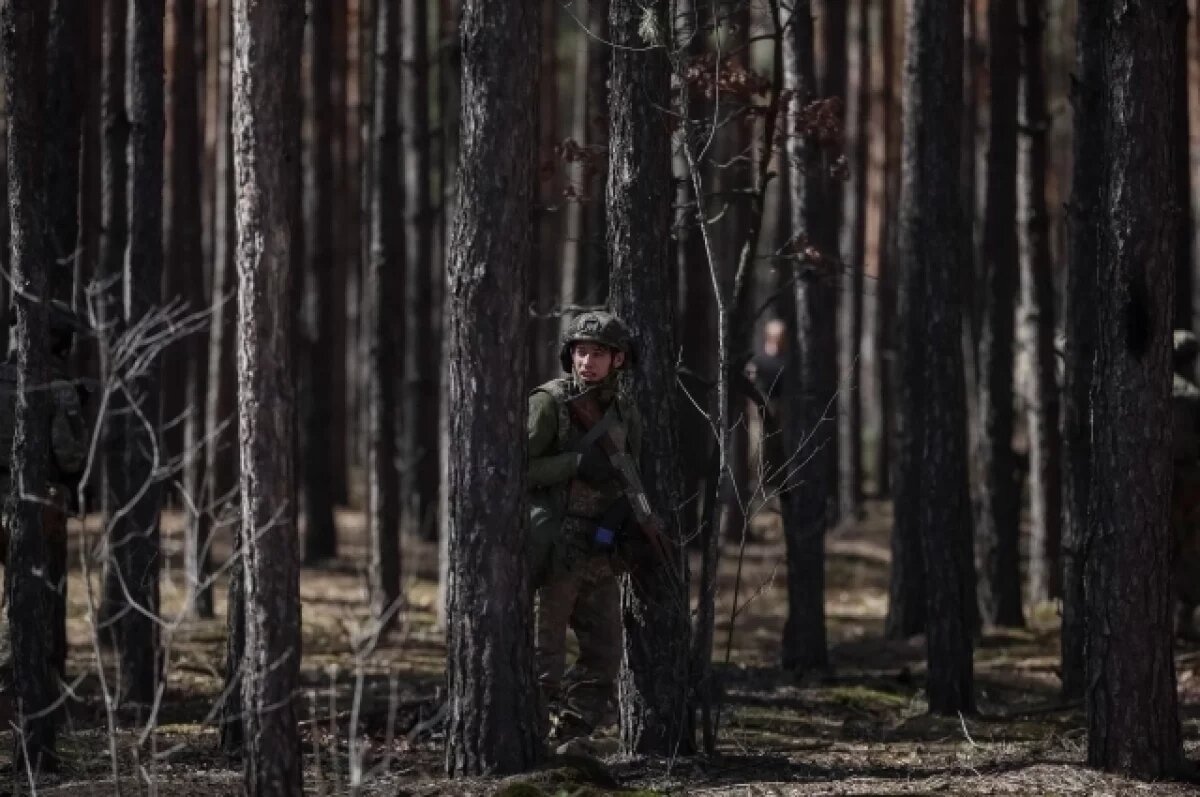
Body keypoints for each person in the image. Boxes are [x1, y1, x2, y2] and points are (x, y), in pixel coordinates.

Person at [526, 311, 642, 741]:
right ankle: (530, 743)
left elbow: (631, 473)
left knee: (604, 655)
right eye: (580, 351)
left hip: (599, 546)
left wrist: (621, 517)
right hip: (554, 545)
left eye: (598, 353)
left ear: (618, 360)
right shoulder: (550, 403)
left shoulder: (623, 410)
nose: (587, 361)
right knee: (543, 660)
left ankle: (568, 738)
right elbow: (515, 469)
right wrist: (575, 463)